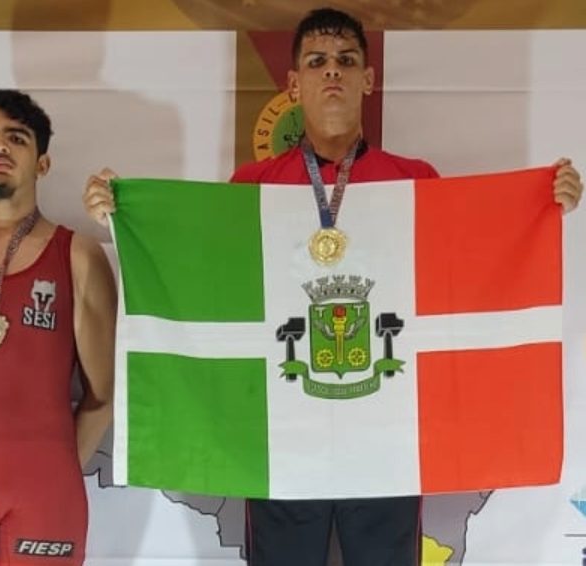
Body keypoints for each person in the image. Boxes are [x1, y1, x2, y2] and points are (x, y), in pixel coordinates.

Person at [82, 8, 583, 566]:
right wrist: (124, 215)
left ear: (368, 78)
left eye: (346, 61)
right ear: (294, 83)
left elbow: (464, 268)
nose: (332, 72)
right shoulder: (253, 186)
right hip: (281, 438)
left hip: (388, 438)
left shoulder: (413, 181)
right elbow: (201, 273)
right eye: (317, 62)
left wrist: (540, 207)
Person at [0, 89, 116, 566]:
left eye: (16, 137)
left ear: (42, 163)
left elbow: (103, 396)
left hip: (43, 493)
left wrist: (49, 469)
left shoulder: (77, 256)